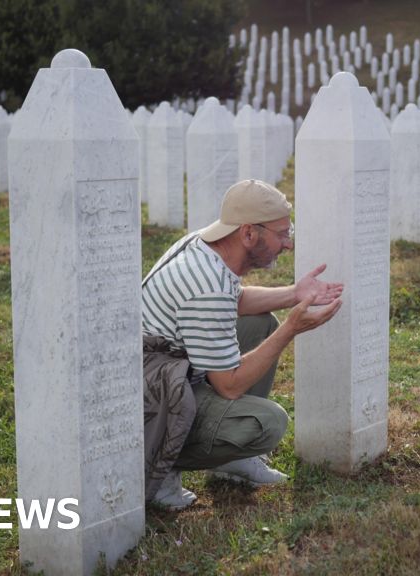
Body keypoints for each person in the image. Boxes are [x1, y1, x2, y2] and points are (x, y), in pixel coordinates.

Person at [142, 179, 343, 510]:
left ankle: (230, 461)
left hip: (167, 371)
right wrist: (291, 329)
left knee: (259, 324)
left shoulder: (205, 246)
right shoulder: (206, 285)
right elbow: (230, 385)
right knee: (267, 423)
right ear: (248, 233)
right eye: (282, 234)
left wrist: (295, 293)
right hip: (154, 402)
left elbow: (235, 300)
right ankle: (163, 463)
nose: (288, 244)